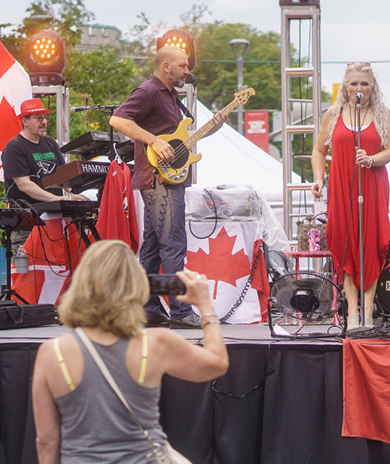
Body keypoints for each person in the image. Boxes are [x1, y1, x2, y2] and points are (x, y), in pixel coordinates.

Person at [31, 240, 229, 463]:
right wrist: (205, 306)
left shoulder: (52, 353)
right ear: (137, 286)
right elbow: (218, 362)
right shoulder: (155, 343)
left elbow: (46, 439)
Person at [110, 46, 226, 329]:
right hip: (158, 181)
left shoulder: (172, 97)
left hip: (167, 180)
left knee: (151, 249)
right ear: (166, 67)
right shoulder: (149, 91)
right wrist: (154, 141)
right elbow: (118, 119)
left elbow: (181, 139)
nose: (188, 71)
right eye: (183, 66)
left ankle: (146, 308)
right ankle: (180, 311)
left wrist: (212, 127)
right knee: (173, 245)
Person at [310, 62, 390, 329]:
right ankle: (353, 313)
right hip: (341, 185)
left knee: (370, 245)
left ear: (372, 87)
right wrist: (318, 179)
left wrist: (371, 159)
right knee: (345, 244)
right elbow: (319, 151)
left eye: (365, 83)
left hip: (372, 184)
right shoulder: (333, 114)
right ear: (346, 87)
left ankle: (368, 313)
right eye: (354, 83)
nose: (359, 88)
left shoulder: (382, 114)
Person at [1, 98, 89, 262]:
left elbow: (63, 177)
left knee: (54, 270)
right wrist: (56, 199)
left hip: (53, 220)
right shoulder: (15, 147)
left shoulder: (49, 142)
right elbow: (24, 185)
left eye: (45, 117)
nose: (44, 122)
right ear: (25, 121)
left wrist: (72, 195)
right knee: (24, 274)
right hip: (25, 223)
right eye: (38, 118)